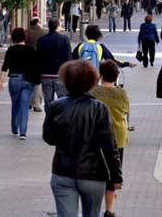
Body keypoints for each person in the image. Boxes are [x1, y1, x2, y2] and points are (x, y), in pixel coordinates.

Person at [43, 59, 122, 217]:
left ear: (66, 81)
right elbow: (109, 146)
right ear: (92, 81)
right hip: (93, 173)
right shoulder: (99, 108)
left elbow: (49, 137)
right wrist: (116, 176)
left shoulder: (56, 106)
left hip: (63, 170)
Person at [91, 61, 129, 217]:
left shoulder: (93, 91)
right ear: (116, 76)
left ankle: (93, 208)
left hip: (95, 137)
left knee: (95, 173)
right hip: (117, 137)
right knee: (113, 173)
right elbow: (125, 110)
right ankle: (109, 209)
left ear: (100, 75)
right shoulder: (122, 94)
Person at [0, 27, 42, 139]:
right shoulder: (31, 49)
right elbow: (37, 66)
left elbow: (5, 67)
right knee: (24, 106)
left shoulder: (11, 50)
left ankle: (14, 128)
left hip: (14, 79)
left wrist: (0, 82)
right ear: (24, 37)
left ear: (13, 37)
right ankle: (23, 133)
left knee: (15, 104)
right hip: (28, 80)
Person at [37, 18, 73, 112]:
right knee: (63, 100)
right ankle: (60, 118)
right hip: (60, 75)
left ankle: (49, 118)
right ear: (57, 26)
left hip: (46, 75)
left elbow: (38, 58)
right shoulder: (64, 39)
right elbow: (68, 57)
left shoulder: (42, 39)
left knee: (48, 101)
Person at [26, 18, 47, 112]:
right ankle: (37, 104)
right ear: (38, 23)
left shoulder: (26, 32)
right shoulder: (43, 33)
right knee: (38, 83)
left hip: (27, 60)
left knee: (27, 81)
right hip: (39, 60)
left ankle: (28, 102)